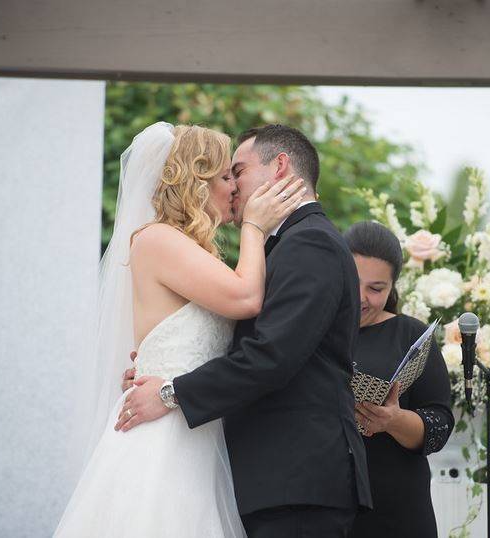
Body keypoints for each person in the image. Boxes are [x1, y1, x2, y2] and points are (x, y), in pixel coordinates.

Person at [117, 124, 372, 537]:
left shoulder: (311, 243)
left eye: (238, 171)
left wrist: (172, 391)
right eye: (224, 176)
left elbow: (270, 356)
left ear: (280, 168)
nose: (234, 186)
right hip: (258, 475)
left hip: (296, 478)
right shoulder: (278, 247)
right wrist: (158, 364)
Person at [55, 122, 306, 537]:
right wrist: (255, 227)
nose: (235, 189)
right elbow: (246, 299)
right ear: (196, 181)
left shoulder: (192, 251)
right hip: (162, 440)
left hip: (196, 432)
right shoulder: (157, 239)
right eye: (226, 176)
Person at [344, 221, 454, 538]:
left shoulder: (411, 335)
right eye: (353, 282)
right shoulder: (314, 327)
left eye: (376, 289)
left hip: (396, 511)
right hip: (323, 506)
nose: (361, 297)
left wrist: (393, 421)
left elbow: (440, 424)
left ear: (393, 287)